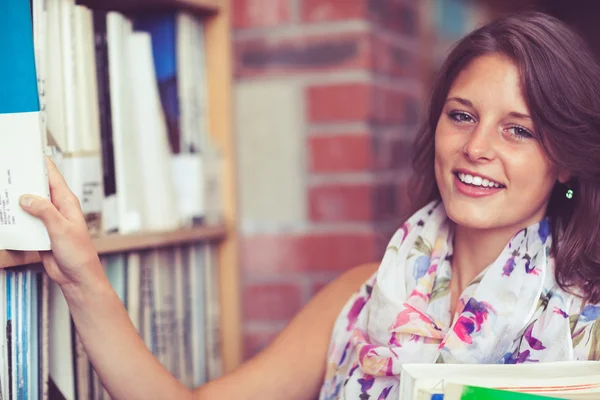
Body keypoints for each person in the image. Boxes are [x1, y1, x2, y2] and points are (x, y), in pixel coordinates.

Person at [17, 10, 600, 400]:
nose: (477, 148)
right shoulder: (357, 296)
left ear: (566, 158)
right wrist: (83, 276)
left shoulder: (588, 327)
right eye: (463, 116)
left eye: (518, 130)